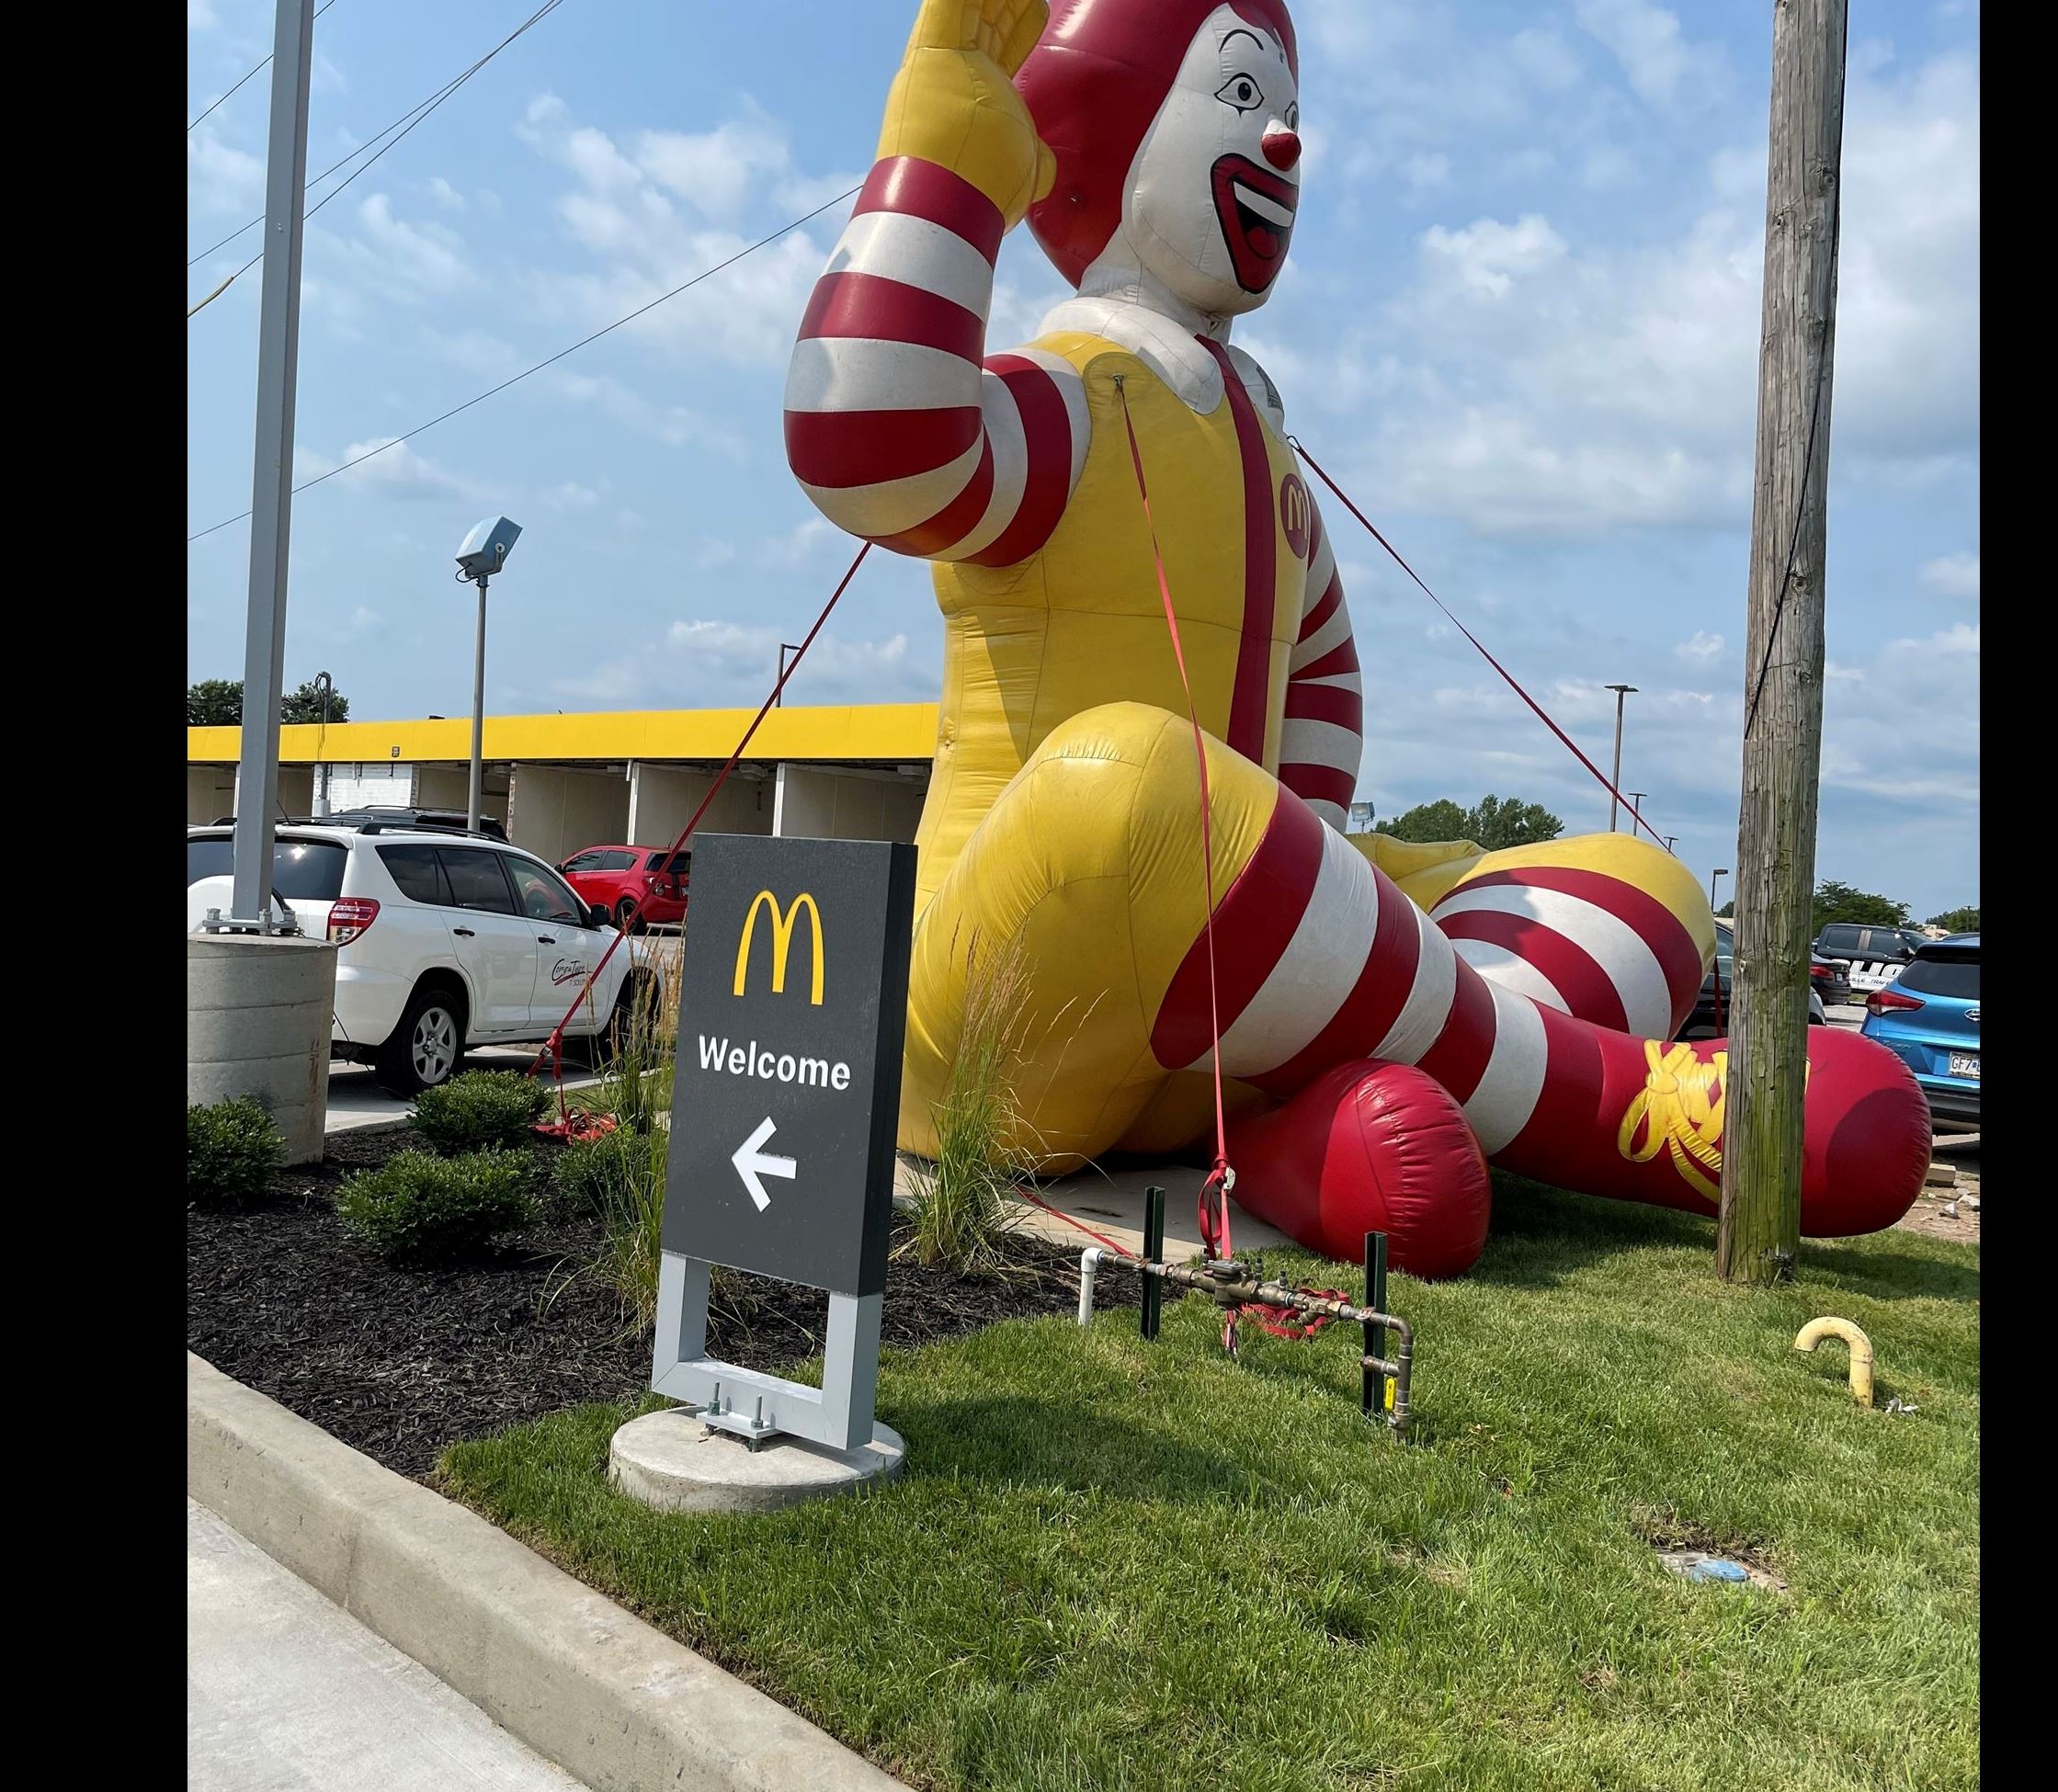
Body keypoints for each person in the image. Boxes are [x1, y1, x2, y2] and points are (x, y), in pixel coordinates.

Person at [782, 0, 1927, 1270]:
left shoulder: (1259, 446)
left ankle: (1308, 1134)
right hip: (1018, 1011)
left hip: (1224, 999)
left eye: (1287, 111)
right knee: (1134, 787)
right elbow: (866, 447)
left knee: (1640, 878)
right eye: (1234, 98)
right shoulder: (1074, 398)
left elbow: (1320, 667)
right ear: (1109, 124)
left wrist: (1306, 865)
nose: (1282, 142)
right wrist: (946, 141)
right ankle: (1604, 1106)